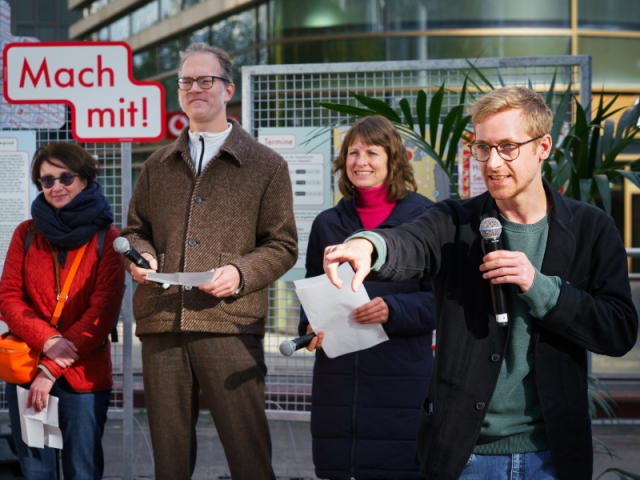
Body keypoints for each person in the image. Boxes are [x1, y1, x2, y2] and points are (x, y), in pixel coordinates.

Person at [322, 86, 638, 480]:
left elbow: (618, 331)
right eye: (483, 148)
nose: (493, 162)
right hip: (465, 455)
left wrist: (540, 287)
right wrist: (369, 245)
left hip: (552, 456)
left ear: (543, 147)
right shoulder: (455, 221)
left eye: (508, 147)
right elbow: (409, 241)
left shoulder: (592, 228)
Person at [120, 42, 297, 480]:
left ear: (227, 89)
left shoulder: (266, 165)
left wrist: (240, 273)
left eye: (205, 80)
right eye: (186, 81)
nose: (195, 88)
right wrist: (141, 255)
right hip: (162, 324)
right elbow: (135, 230)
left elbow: (282, 245)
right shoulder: (157, 165)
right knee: (169, 464)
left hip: (229, 324)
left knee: (249, 458)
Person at [299, 116, 435, 479]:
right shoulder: (327, 223)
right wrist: (309, 329)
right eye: (353, 152)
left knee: (399, 469)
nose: (361, 162)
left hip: (400, 378)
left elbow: (441, 303)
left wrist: (393, 310)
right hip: (338, 380)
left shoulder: (424, 219)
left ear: (393, 159)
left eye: (372, 152)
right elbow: (313, 292)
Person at [0, 142, 125, 480]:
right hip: (27, 370)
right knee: (36, 472)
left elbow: (101, 316)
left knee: (82, 471)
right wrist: (50, 341)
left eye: (65, 177)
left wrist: (50, 369)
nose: (56, 187)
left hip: (82, 377)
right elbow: (9, 299)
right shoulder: (26, 233)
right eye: (47, 180)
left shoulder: (108, 239)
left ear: (84, 179)